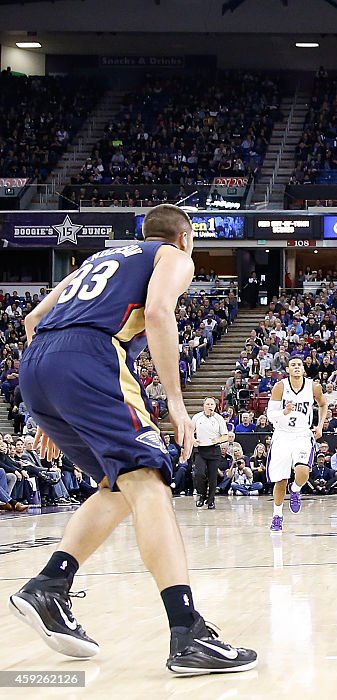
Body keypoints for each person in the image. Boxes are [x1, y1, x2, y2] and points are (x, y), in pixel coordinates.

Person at [8, 204, 256, 674]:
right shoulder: (173, 255)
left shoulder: (98, 259)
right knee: (151, 482)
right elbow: (161, 313)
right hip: (90, 355)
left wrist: (50, 409)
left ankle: (49, 585)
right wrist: (178, 403)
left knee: (120, 485)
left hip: (38, 367)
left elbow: (33, 319)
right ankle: (187, 632)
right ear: (185, 238)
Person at [265, 357, 328, 531]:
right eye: (293, 365)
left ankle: (296, 489)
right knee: (280, 481)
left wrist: (320, 425)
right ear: (288, 369)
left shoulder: (313, 386)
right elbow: (270, 414)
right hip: (282, 435)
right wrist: (283, 412)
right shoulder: (280, 387)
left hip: (302, 434)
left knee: (303, 471)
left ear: (303, 368)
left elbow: (323, 405)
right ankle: (277, 515)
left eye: (299, 364)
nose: (297, 367)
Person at [192, 397, 234, 509]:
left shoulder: (219, 418)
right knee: (199, 473)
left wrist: (218, 440)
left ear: (215, 406)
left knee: (212, 477)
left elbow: (225, 435)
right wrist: (193, 440)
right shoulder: (197, 417)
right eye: (208, 404)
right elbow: (189, 432)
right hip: (200, 449)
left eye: (212, 404)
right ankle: (201, 495)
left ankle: (211, 500)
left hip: (214, 449)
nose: (210, 406)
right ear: (203, 405)